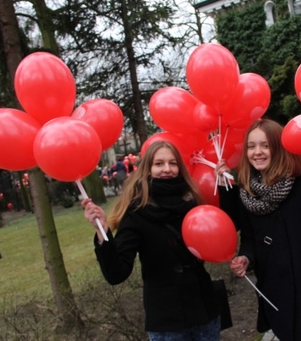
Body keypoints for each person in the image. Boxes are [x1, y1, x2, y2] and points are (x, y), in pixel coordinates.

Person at [215, 118, 301, 341]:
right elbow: (250, 238)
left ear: (279, 147)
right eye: (251, 146)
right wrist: (246, 258)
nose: (257, 152)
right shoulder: (247, 190)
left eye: (265, 145)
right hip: (277, 289)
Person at [82, 141, 221, 341]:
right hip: (167, 322)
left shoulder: (193, 203)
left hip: (205, 313)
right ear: (147, 170)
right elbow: (117, 273)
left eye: (173, 163)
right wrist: (103, 233)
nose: (167, 169)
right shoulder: (136, 212)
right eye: (159, 164)